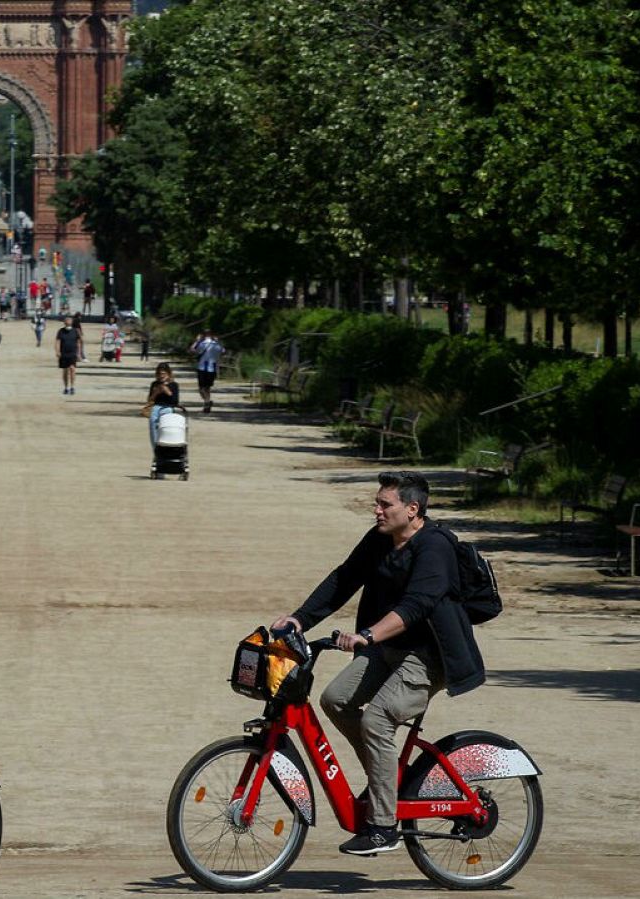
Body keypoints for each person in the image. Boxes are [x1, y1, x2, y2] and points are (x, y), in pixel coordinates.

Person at [269, 471, 483, 856]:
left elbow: (417, 605)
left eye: (385, 504)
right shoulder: (381, 539)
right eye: (378, 503)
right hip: (387, 651)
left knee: (378, 719)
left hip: (428, 657)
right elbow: (345, 578)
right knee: (335, 699)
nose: (377, 510)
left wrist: (367, 636)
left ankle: (383, 827)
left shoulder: (435, 547)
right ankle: (385, 781)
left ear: (412, 510)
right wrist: (300, 619)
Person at [145, 362, 181, 446]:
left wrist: (167, 391)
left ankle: (165, 446)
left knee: (164, 424)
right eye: (159, 374)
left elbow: (175, 401)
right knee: (153, 422)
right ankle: (156, 448)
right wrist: (156, 392)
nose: (161, 376)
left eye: (163, 374)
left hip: (168, 407)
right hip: (156, 407)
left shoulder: (174, 385)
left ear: (168, 374)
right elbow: (149, 400)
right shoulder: (154, 384)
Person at [190, 330, 225, 413]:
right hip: (212, 369)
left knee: (201, 388)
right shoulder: (217, 345)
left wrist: (197, 341)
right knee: (207, 388)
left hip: (202, 368)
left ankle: (207, 402)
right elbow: (223, 351)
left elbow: (192, 350)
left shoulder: (202, 344)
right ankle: (207, 403)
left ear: (203, 335)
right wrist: (218, 341)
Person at [55, 315, 82, 395]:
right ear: (64, 322)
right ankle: (66, 387)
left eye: (69, 320)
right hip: (63, 353)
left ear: (72, 322)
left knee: (72, 369)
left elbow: (78, 342)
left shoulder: (75, 331)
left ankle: (72, 387)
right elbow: (57, 342)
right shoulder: (60, 331)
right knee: (65, 371)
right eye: (66, 320)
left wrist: (78, 353)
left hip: (72, 353)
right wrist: (57, 351)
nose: (68, 321)